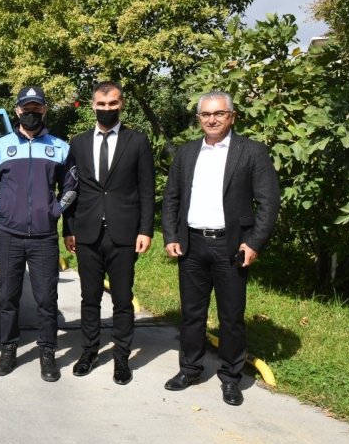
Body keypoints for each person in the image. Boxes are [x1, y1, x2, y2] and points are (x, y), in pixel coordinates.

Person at [161, 91, 280, 406]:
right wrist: (171, 235)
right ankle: (190, 369)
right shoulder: (187, 153)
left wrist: (253, 243)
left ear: (232, 116)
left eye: (219, 113)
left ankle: (230, 378)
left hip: (232, 246)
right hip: (191, 245)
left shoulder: (251, 152)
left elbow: (269, 202)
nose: (212, 119)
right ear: (198, 118)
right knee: (192, 314)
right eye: (206, 114)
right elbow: (172, 197)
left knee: (231, 317)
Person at [0, 85, 77, 381]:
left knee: (46, 299)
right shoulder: (0, 147)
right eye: (26, 108)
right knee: (7, 297)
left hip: (44, 237)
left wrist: (54, 210)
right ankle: (9, 348)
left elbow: (71, 187)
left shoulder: (60, 147)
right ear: (17, 110)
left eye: (36, 108)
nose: (31, 113)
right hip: (9, 235)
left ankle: (47, 352)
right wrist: (5, 210)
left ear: (44, 110)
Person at [62, 81, 154, 384]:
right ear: (93, 105)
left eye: (112, 103)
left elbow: (146, 189)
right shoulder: (77, 143)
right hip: (87, 233)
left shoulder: (137, 141)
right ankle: (89, 352)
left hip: (124, 233)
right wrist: (68, 228)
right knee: (89, 298)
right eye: (101, 104)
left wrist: (146, 230)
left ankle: (121, 358)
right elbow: (70, 190)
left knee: (122, 299)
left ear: (121, 104)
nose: (107, 109)